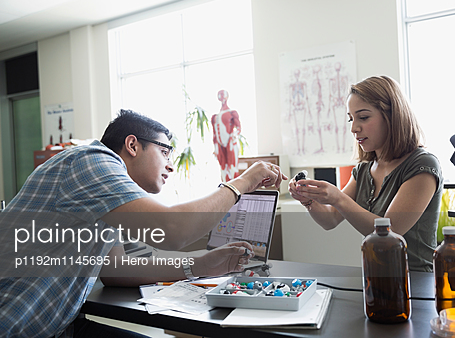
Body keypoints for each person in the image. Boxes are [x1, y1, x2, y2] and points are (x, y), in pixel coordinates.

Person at [0, 109, 287, 338]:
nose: (171, 166)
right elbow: (174, 230)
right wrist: (242, 183)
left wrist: (199, 265)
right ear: (132, 145)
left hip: (58, 327)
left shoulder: (105, 195)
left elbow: (115, 269)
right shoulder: (91, 161)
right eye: (165, 152)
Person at [289, 76, 443, 272]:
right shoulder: (364, 170)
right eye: (351, 119)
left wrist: (337, 198)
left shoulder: (422, 164)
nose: (354, 128)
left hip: (416, 283)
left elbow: (390, 232)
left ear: (392, 116)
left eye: (363, 117)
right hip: (375, 279)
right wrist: (308, 199)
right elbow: (330, 220)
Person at [211, 90, 242, 182]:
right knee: (223, 168)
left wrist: (234, 135)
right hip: (220, 145)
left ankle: (235, 191)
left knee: (233, 167)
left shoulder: (232, 113)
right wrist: (215, 147)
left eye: (223, 95)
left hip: (230, 143)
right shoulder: (215, 117)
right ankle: (226, 190)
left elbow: (238, 128)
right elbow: (214, 134)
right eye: (219, 95)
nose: (221, 97)